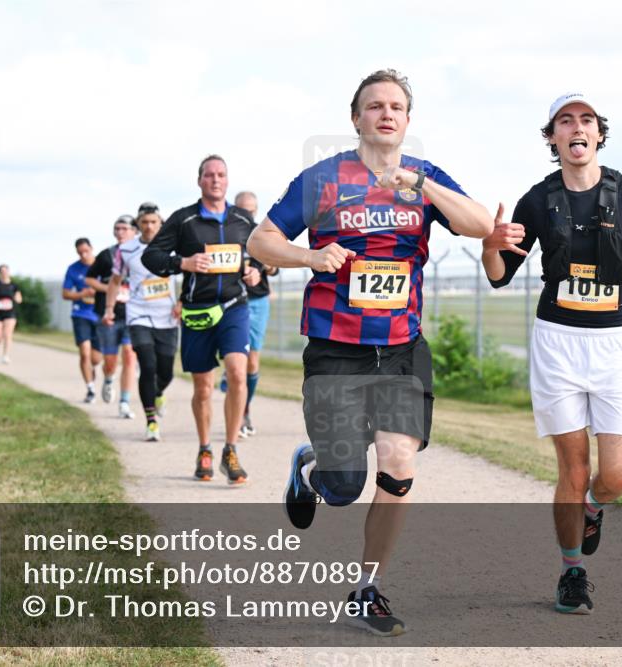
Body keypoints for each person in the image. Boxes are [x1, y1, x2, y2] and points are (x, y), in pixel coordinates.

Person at [247, 69, 493, 636]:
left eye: (397, 107)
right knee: (342, 487)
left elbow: (480, 224)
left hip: (402, 349)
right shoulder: (322, 179)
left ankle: (367, 590)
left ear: (408, 120)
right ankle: (308, 469)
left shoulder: (425, 178)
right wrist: (312, 258)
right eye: (374, 105)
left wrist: (421, 186)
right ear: (355, 118)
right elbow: (260, 241)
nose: (386, 113)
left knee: (399, 464)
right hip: (336, 351)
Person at [482, 93, 622, 614]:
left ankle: (594, 508)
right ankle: (572, 572)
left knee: (616, 477)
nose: (576, 128)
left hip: (609, 345)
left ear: (599, 134)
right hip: (556, 342)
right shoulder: (537, 200)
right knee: (572, 468)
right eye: (565, 121)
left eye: (586, 120)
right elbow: (499, 276)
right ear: (552, 137)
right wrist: (491, 244)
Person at [142, 156, 261, 484]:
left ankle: (231, 449)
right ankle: (205, 447)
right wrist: (184, 262)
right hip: (197, 311)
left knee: (238, 371)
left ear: (227, 179)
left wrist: (256, 270)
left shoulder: (242, 219)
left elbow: (263, 253)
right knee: (204, 387)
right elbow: (150, 256)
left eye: (221, 174)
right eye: (209, 175)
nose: (216, 180)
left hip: (234, 307)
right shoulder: (184, 220)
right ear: (200, 181)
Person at [105, 204, 181, 441]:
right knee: (147, 365)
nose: (149, 226)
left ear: (161, 223)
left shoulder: (173, 246)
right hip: (138, 314)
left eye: (153, 222)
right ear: (138, 225)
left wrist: (181, 301)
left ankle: (156, 393)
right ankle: (151, 421)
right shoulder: (126, 250)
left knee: (166, 372)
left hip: (167, 317)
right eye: (145, 222)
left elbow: (189, 272)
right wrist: (108, 308)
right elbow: (115, 281)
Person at [231, 191, 279, 438]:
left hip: (258, 301)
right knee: (236, 360)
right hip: (232, 301)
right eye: (242, 209)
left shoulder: (263, 233)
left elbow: (274, 267)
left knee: (251, 361)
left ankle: (245, 408)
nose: (247, 214)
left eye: (252, 209)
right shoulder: (228, 233)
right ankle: (236, 406)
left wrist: (264, 268)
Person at [86, 215, 140, 418]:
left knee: (129, 355)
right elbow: (89, 278)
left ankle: (124, 402)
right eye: (117, 228)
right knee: (110, 361)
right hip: (109, 314)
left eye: (124, 228)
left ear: (135, 231)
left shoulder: (141, 254)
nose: (120, 232)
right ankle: (108, 379)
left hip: (133, 314)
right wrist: (109, 288)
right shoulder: (106, 255)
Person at [63, 238, 103, 403]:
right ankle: (90, 389)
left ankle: (92, 370)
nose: (84, 255)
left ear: (92, 248)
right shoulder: (73, 269)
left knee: (96, 359)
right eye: (80, 253)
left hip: (100, 315)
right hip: (81, 315)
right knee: (84, 353)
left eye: (86, 251)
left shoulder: (103, 265)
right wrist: (82, 294)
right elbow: (65, 294)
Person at [0, 264, 22, 363]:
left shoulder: (14, 285)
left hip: (10, 313)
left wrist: (18, 299)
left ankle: (5, 355)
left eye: (6, 271)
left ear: (8, 272)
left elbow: (19, 298)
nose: (4, 273)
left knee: (7, 334)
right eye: (2, 272)